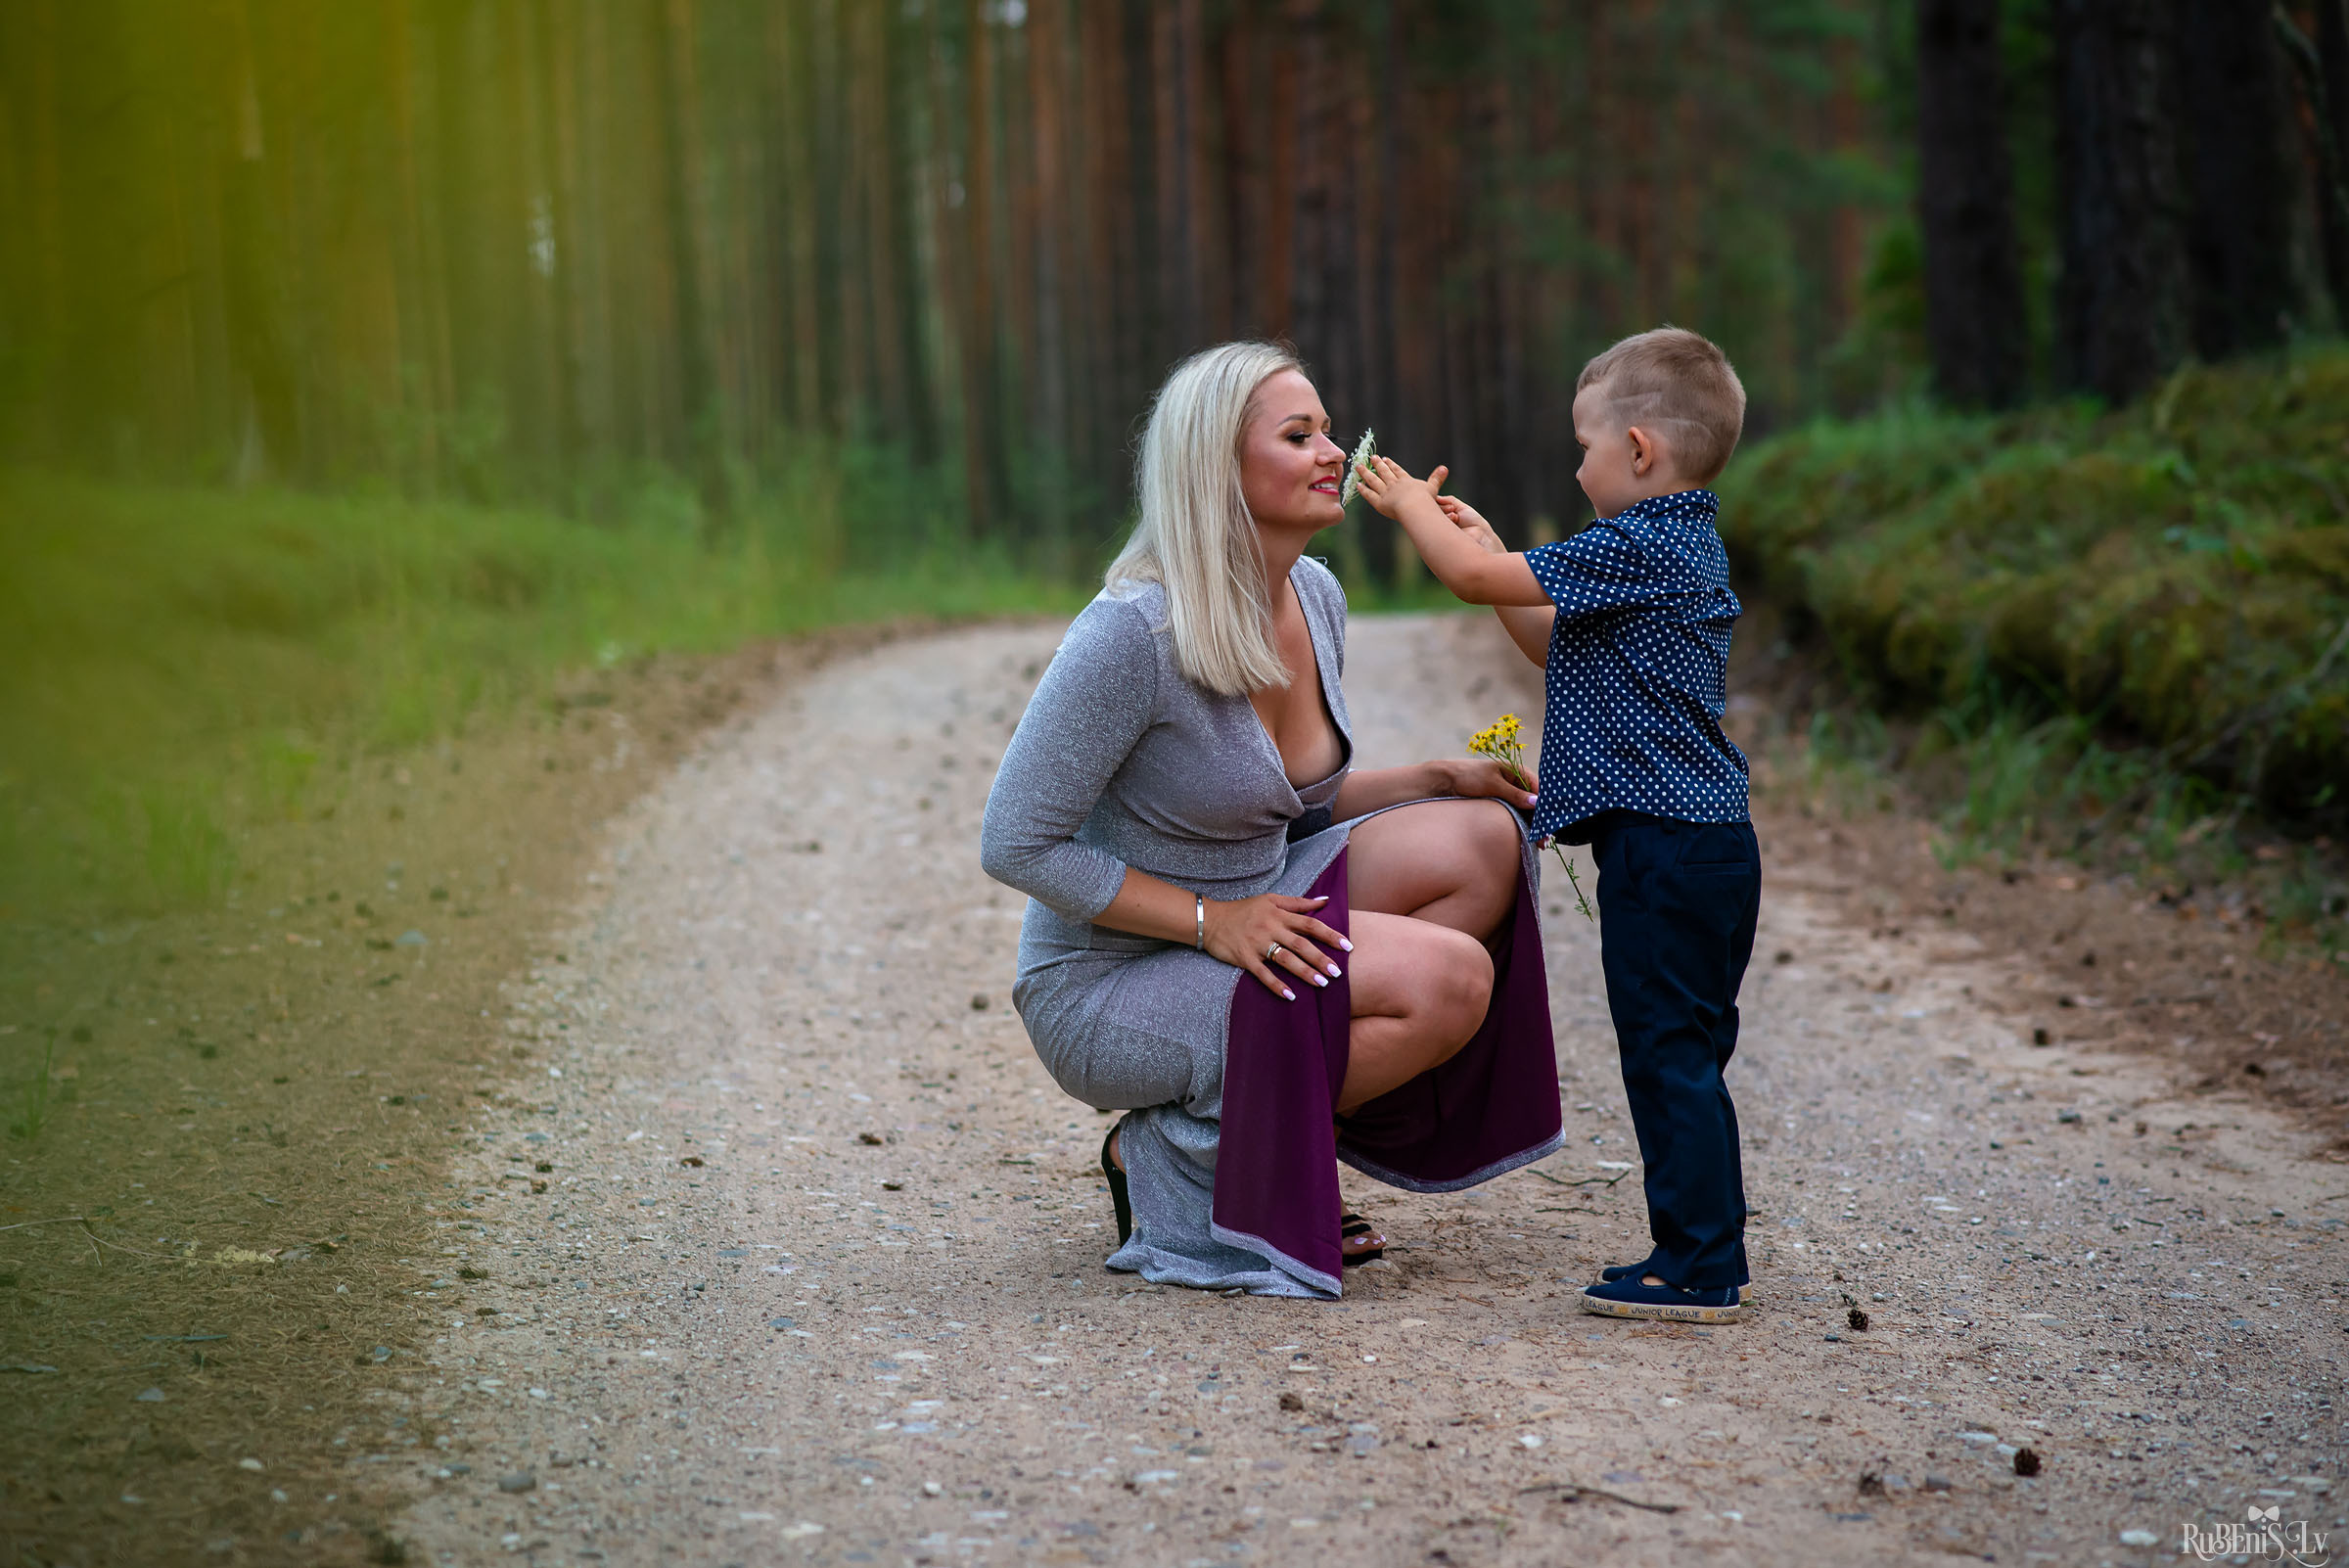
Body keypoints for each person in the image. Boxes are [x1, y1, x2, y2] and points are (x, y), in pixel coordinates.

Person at [978, 340, 1566, 1300]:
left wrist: (1430, 776)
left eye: (1329, 430)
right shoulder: (1134, 631)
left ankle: (1274, 1135)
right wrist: (1217, 923)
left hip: (1260, 906)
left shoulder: (1318, 596)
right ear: (1219, 466)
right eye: (1300, 436)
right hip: (1111, 978)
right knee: (1450, 983)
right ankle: (1172, 1153)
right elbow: (1015, 840)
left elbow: (1285, 806)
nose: (1333, 451)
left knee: (1481, 840)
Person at [1357, 326, 1760, 1325]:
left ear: (1638, 451)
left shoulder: (1643, 538)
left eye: (1584, 446)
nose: (1576, 467)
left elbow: (1465, 582)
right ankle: (1700, 1248)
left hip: (1666, 847)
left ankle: (1701, 1264)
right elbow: (1547, 640)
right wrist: (1495, 553)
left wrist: (1417, 512)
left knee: (1668, 1052)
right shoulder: (1667, 546)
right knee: (1681, 1048)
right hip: (1692, 844)